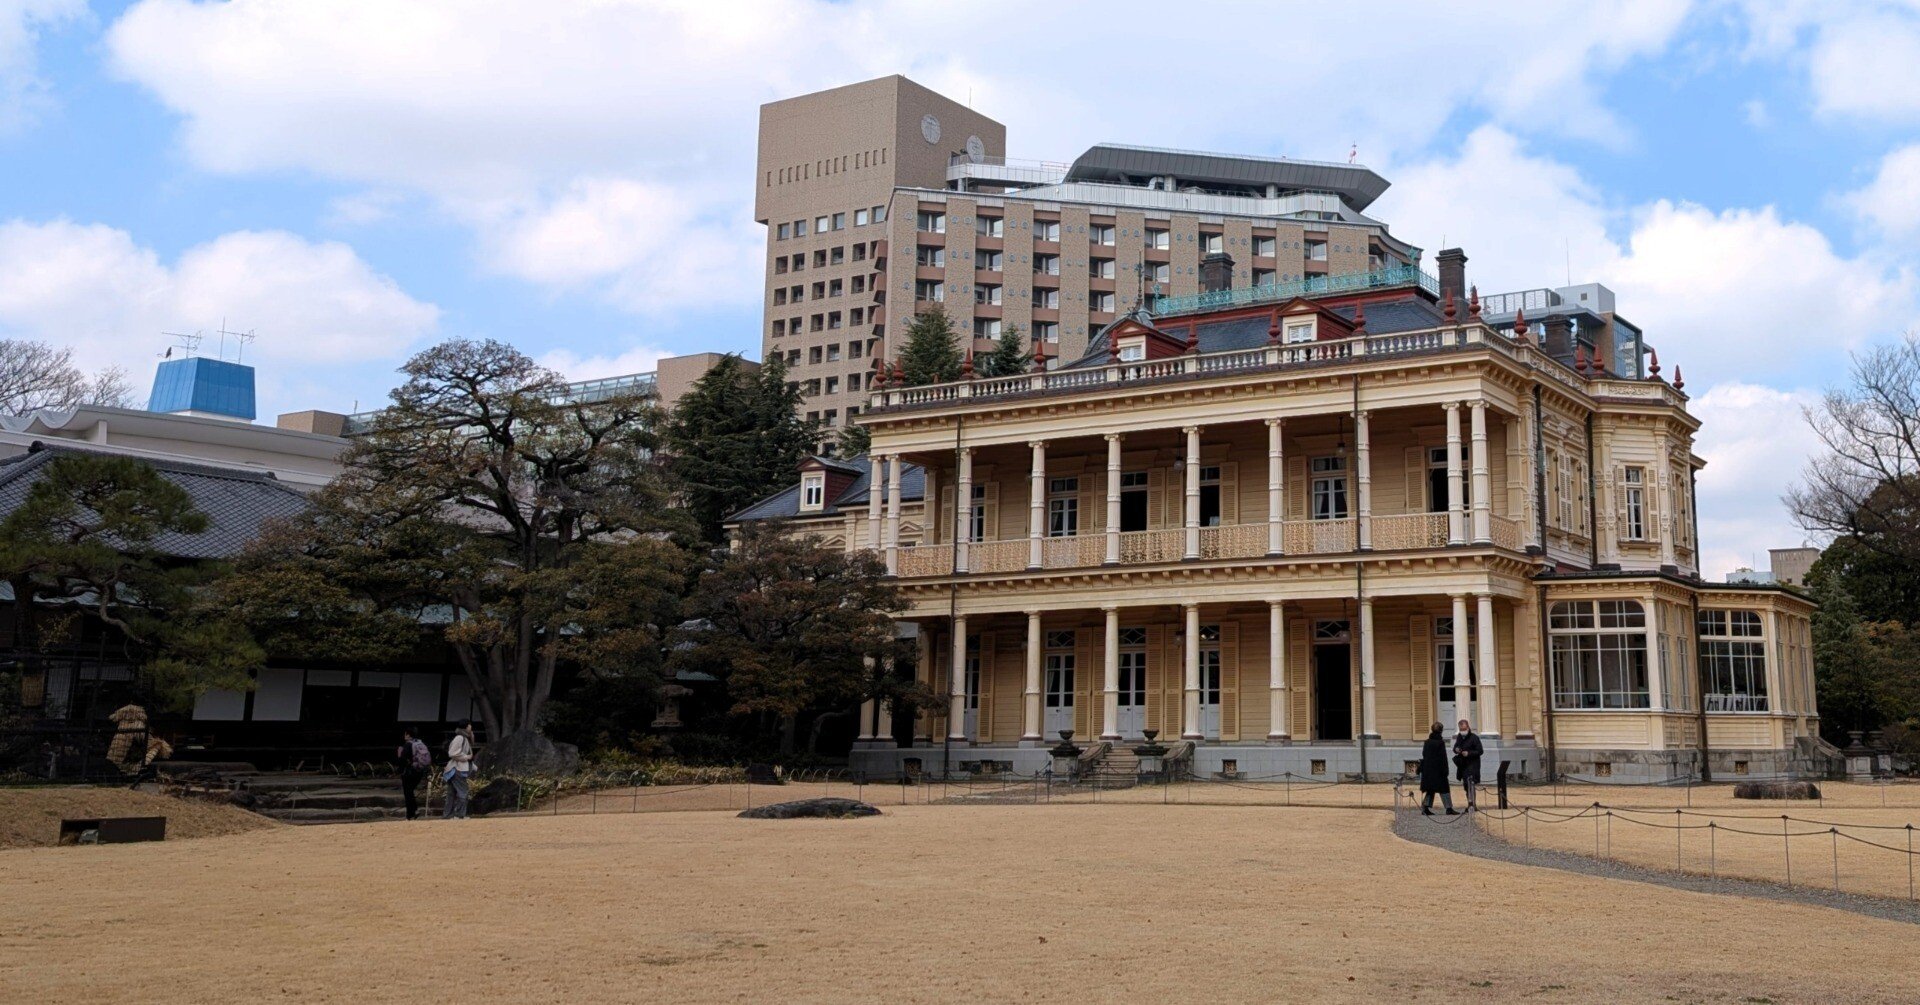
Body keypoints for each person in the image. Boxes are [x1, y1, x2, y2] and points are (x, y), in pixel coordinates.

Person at [1417, 721, 1455, 815]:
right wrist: (1445, 770)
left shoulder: (1427, 742)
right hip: (1438, 770)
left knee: (1430, 789)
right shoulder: (1440, 743)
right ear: (1441, 731)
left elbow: (1424, 755)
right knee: (1444, 789)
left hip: (1428, 770)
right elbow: (1443, 758)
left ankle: (1425, 808)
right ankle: (1449, 808)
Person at [443, 721, 475, 820]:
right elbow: (452, 753)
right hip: (458, 768)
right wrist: (466, 757)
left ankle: (448, 815)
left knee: (451, 793)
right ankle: (459, 814)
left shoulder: (463, 737)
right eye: (469, 725)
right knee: (463, 791)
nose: (471, 727)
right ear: (466, 727)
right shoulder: (460, 738)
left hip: (456, 768)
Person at [397, 729, 431, 820]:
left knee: (408, 793)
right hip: (419, 771)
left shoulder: (407, 745)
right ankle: (414, 810)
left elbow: (402, 759)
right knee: (410, 791)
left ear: (408, 735)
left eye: (405, 734)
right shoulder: (420, 743)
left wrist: (400, 770)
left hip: (409, 771)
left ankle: (410, 814)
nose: (404, 736)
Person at [1452, 718, 1484, 811]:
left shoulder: (1474, 738)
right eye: (1461, 729)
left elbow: (1480, 751)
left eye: (1464, 729)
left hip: (1472, 765)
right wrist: (1456, 749)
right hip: (1463, 765)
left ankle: (1472, 804)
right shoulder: (1459, 737)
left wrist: (1469, 753)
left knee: (1471, 785)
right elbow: (1455, 747)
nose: (1463, 731)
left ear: (1468, 727)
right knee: (1466, 786)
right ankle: (1470, 804)